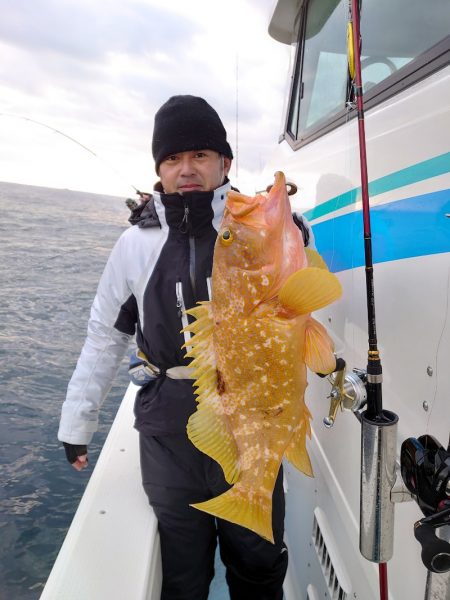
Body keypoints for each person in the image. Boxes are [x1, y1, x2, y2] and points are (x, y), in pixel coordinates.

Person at [58, 95, 312, 600]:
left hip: (252, 417)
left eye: (199, 155)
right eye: (172, 159)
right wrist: (76, 422)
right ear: (159, 169)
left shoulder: (257, 226)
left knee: (258, 563)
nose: (186, 169)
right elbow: (105, 335)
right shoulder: (136, 244)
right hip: (168, 431)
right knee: (182, 570)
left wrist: (296, 233)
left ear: (225, 163)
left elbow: (302, 279)